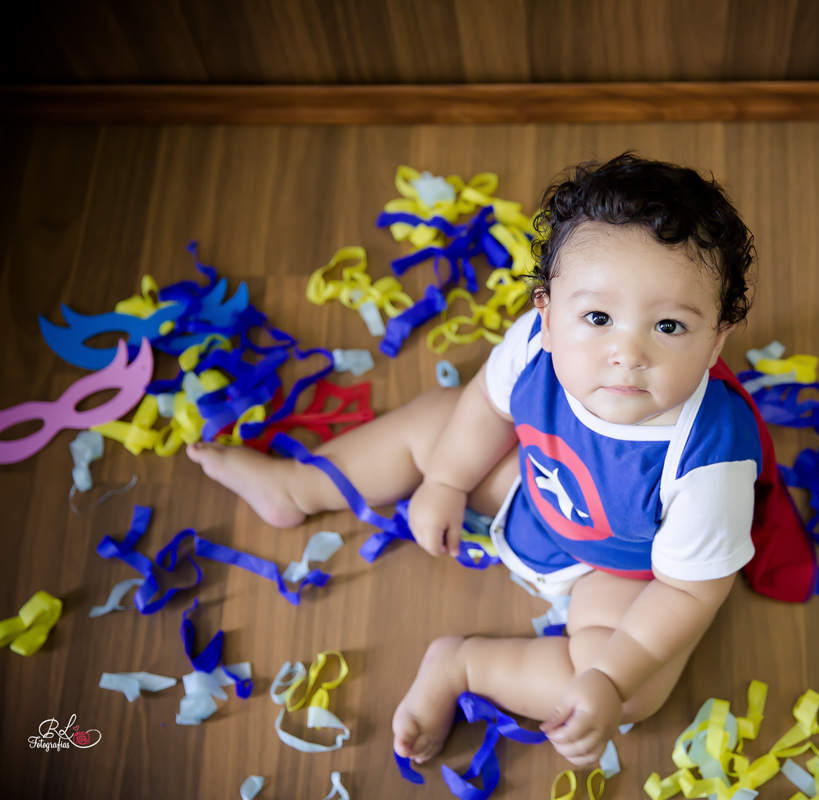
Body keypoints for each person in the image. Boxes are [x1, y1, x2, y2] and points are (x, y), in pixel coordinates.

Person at [187, 153, 761, 768]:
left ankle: (462, 664)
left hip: (624, 572)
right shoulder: (536, 348)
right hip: (531, 487)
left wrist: (610, 678)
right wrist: (445, 479)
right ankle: (299, 485)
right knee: (441, 417)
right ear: (546, 310)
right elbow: (486, 409)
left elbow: (688, 593)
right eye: (597, 318)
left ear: (717, 338)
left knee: (633, 692)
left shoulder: (710, 462)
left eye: (670, 325)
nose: (627, 352)